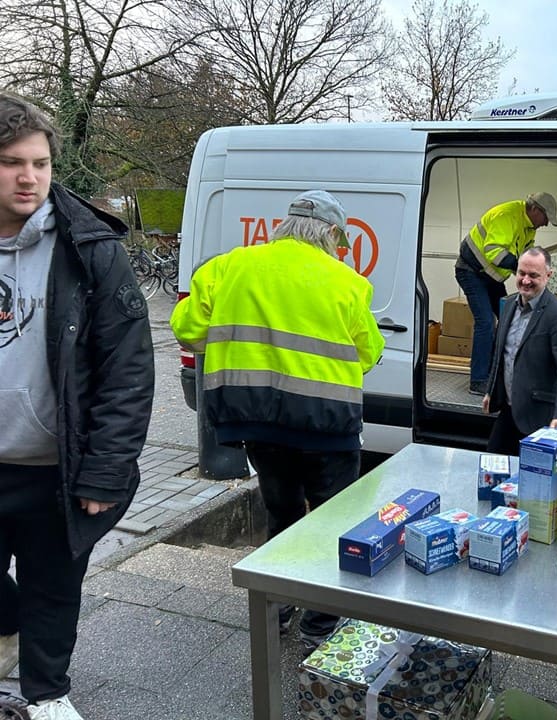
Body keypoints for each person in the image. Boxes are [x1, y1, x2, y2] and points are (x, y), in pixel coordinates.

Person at [171, 189, 384, 648]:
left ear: (282, 226)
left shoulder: (227, 267)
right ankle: (320, 625)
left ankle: (279, 609)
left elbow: (186, 329)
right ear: (330, 234)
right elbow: (369, 353)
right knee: (331, 523)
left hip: (256, 423)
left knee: (283, 515)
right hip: (328, 429)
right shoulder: (346, 282)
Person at [0, 92, 154, 720]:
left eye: (40, 162)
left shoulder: (90, 248)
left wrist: (106, 469)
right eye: (12, 162)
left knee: (54, 589)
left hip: (56, 469)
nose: (29, 176)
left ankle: (46, 694)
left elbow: (128, 370)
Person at [454, 193, 557, 395]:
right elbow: (493, 252)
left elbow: (525, 254)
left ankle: (498, 372)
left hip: (491, 277)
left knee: (508, 320)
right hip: (471, 273)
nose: (545, 224)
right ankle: (478, 380)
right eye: (546, 219)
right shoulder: (507, 215)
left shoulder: (528, 226)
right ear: (536, 210)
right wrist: (524, 269)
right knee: (485, 322)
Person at [481, 247, 557, 454]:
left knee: (533, 482)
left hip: (539, 418)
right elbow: (502, 353)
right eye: (522, 273)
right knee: (493, 468)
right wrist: (491, 390)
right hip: (509, 411)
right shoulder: (508, 305)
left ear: (548, 276)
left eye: (534, 275)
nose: (526, 280)